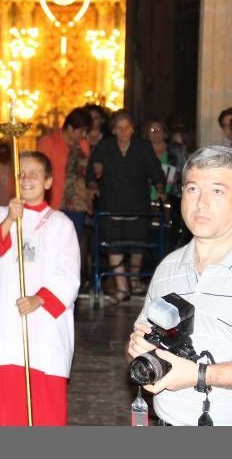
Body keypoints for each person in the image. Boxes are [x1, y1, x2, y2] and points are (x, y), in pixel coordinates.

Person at [127, 146, 232, 426]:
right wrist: (141, 344)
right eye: (193, 189)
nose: (202, 203)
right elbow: (144, 333)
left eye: (217, 191)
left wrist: (199, 374)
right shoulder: (167, 268)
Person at [0, 152, 80, 425]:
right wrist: (10, 220)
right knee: (6, 407)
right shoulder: (0, 215)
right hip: (9, 327)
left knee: (44, 407)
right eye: (22, 173)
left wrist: (40, 299)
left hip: (45, 328)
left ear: (48, 181)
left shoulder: (61, 224)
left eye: (35, 173)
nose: (27, 178)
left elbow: (69, 274)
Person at [86, 110, 165, 302]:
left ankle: (135, 280)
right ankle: (122, 288)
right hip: (112, 203)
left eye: (126, 128)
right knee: (114, 246)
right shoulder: (105, 146)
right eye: (119, 128)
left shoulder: (142, 146)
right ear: (113, 130)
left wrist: (160, 189)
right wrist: (94, 183)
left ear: (133, 129)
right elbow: (91, 172)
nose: (123, 132)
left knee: (137, 246)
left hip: (137, 205)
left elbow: (156, 171)